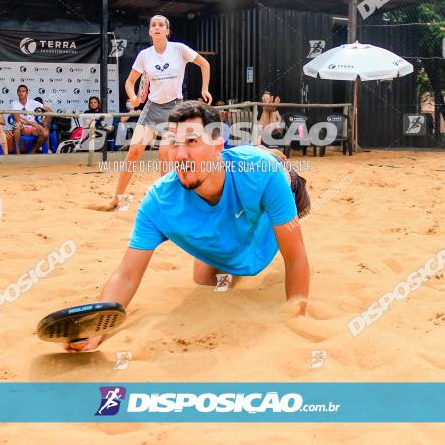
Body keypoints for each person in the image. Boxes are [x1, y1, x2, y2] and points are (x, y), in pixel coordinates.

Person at [68, 102, 309, 352]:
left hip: (281, 181)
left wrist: (296, 320)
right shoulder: (158, 201)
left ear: (217, 144)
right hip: (238, 214)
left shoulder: (262, 173)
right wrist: (97, 326)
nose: (180, 154)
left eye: (192, 141)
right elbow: (126, 275)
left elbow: (296, 257)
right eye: (173, 142)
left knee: (269, 169)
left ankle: (265, 151)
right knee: (204, 278)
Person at [89, 14, 212, 211]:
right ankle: (116, 200)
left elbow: (204, 64)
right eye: (153, 25)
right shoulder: (144, 55)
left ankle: (165, 204)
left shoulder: (179, 49)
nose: (157, 27)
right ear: (150, 31)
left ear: (167, 30)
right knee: (133, 153)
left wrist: (204, 89)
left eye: (161, 24)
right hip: (152, 107)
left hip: (175, 108)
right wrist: (134, 98)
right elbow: (129, 82)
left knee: (165, 154)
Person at [10, 85, 51, 154]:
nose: (21, 93)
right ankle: (17, 152)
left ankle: (33, 151)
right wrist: (33, 123)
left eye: (23, 91)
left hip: (33, 129)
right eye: (19, 91)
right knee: (17, 125)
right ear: (17, 93)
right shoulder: (14, 103)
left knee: (45, 133)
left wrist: (44, 125)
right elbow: (17, 119)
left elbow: (49, 111)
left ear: (27, 93)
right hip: (22, 128)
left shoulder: (33, 102)